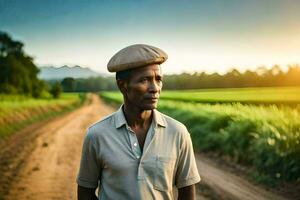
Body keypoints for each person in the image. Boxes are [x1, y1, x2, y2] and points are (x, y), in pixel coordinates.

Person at [77, 44, 200, 200]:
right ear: (123, 86)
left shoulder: (178, 132)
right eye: (144, 80)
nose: (155, 88)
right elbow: (85, 193)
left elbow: (187, 190)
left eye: (158, 79)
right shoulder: (97, 135)